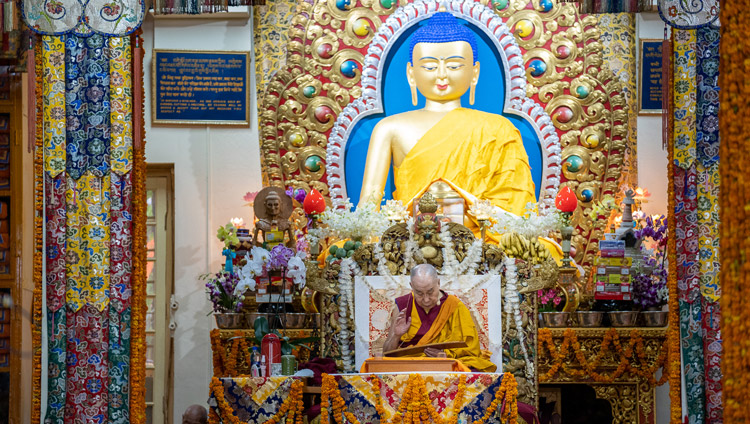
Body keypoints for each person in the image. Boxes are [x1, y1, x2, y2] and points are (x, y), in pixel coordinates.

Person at [359, 11, 535, 218]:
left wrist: (467, 203)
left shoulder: (498, 129)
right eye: (429, 66)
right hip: (410, 239)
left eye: (454, 65)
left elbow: (517, 212)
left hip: (481, 240)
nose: (442, 74)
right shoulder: (389, 128)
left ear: (474, 72)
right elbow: (368, 204)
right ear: (411, 73)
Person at [382, 264, 496, 372]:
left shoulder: (455, 306)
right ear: (411, 286)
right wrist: (396, 336)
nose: (426, 299)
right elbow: (387, 353)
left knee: (472, 370)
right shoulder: (403, 307)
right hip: (411, 365)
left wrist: (446, 355)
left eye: (430, 292)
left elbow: (471, 349)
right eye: (419, 293)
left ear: (438, 283)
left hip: (446, 364)